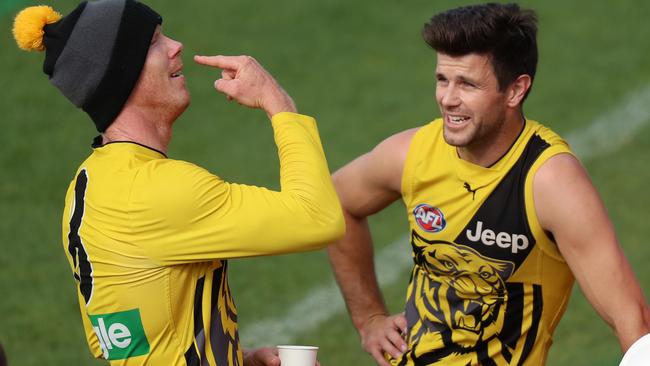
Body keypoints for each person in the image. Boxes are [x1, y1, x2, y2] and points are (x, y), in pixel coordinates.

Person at [13, 0, 343, 365]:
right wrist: (278, 103)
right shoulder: (154, 190)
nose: (175, 46)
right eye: (154, 41)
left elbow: (122, 340)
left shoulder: (88, 185)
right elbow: (317, 218)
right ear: (123, 74)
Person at [327, 3, 650, 365]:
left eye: (467, 84)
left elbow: (631, 318)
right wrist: (369, 317)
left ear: (515, 91)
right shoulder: (412, 153)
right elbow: (337, 201)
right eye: (442, 79)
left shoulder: (550, 181)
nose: (448, 99)